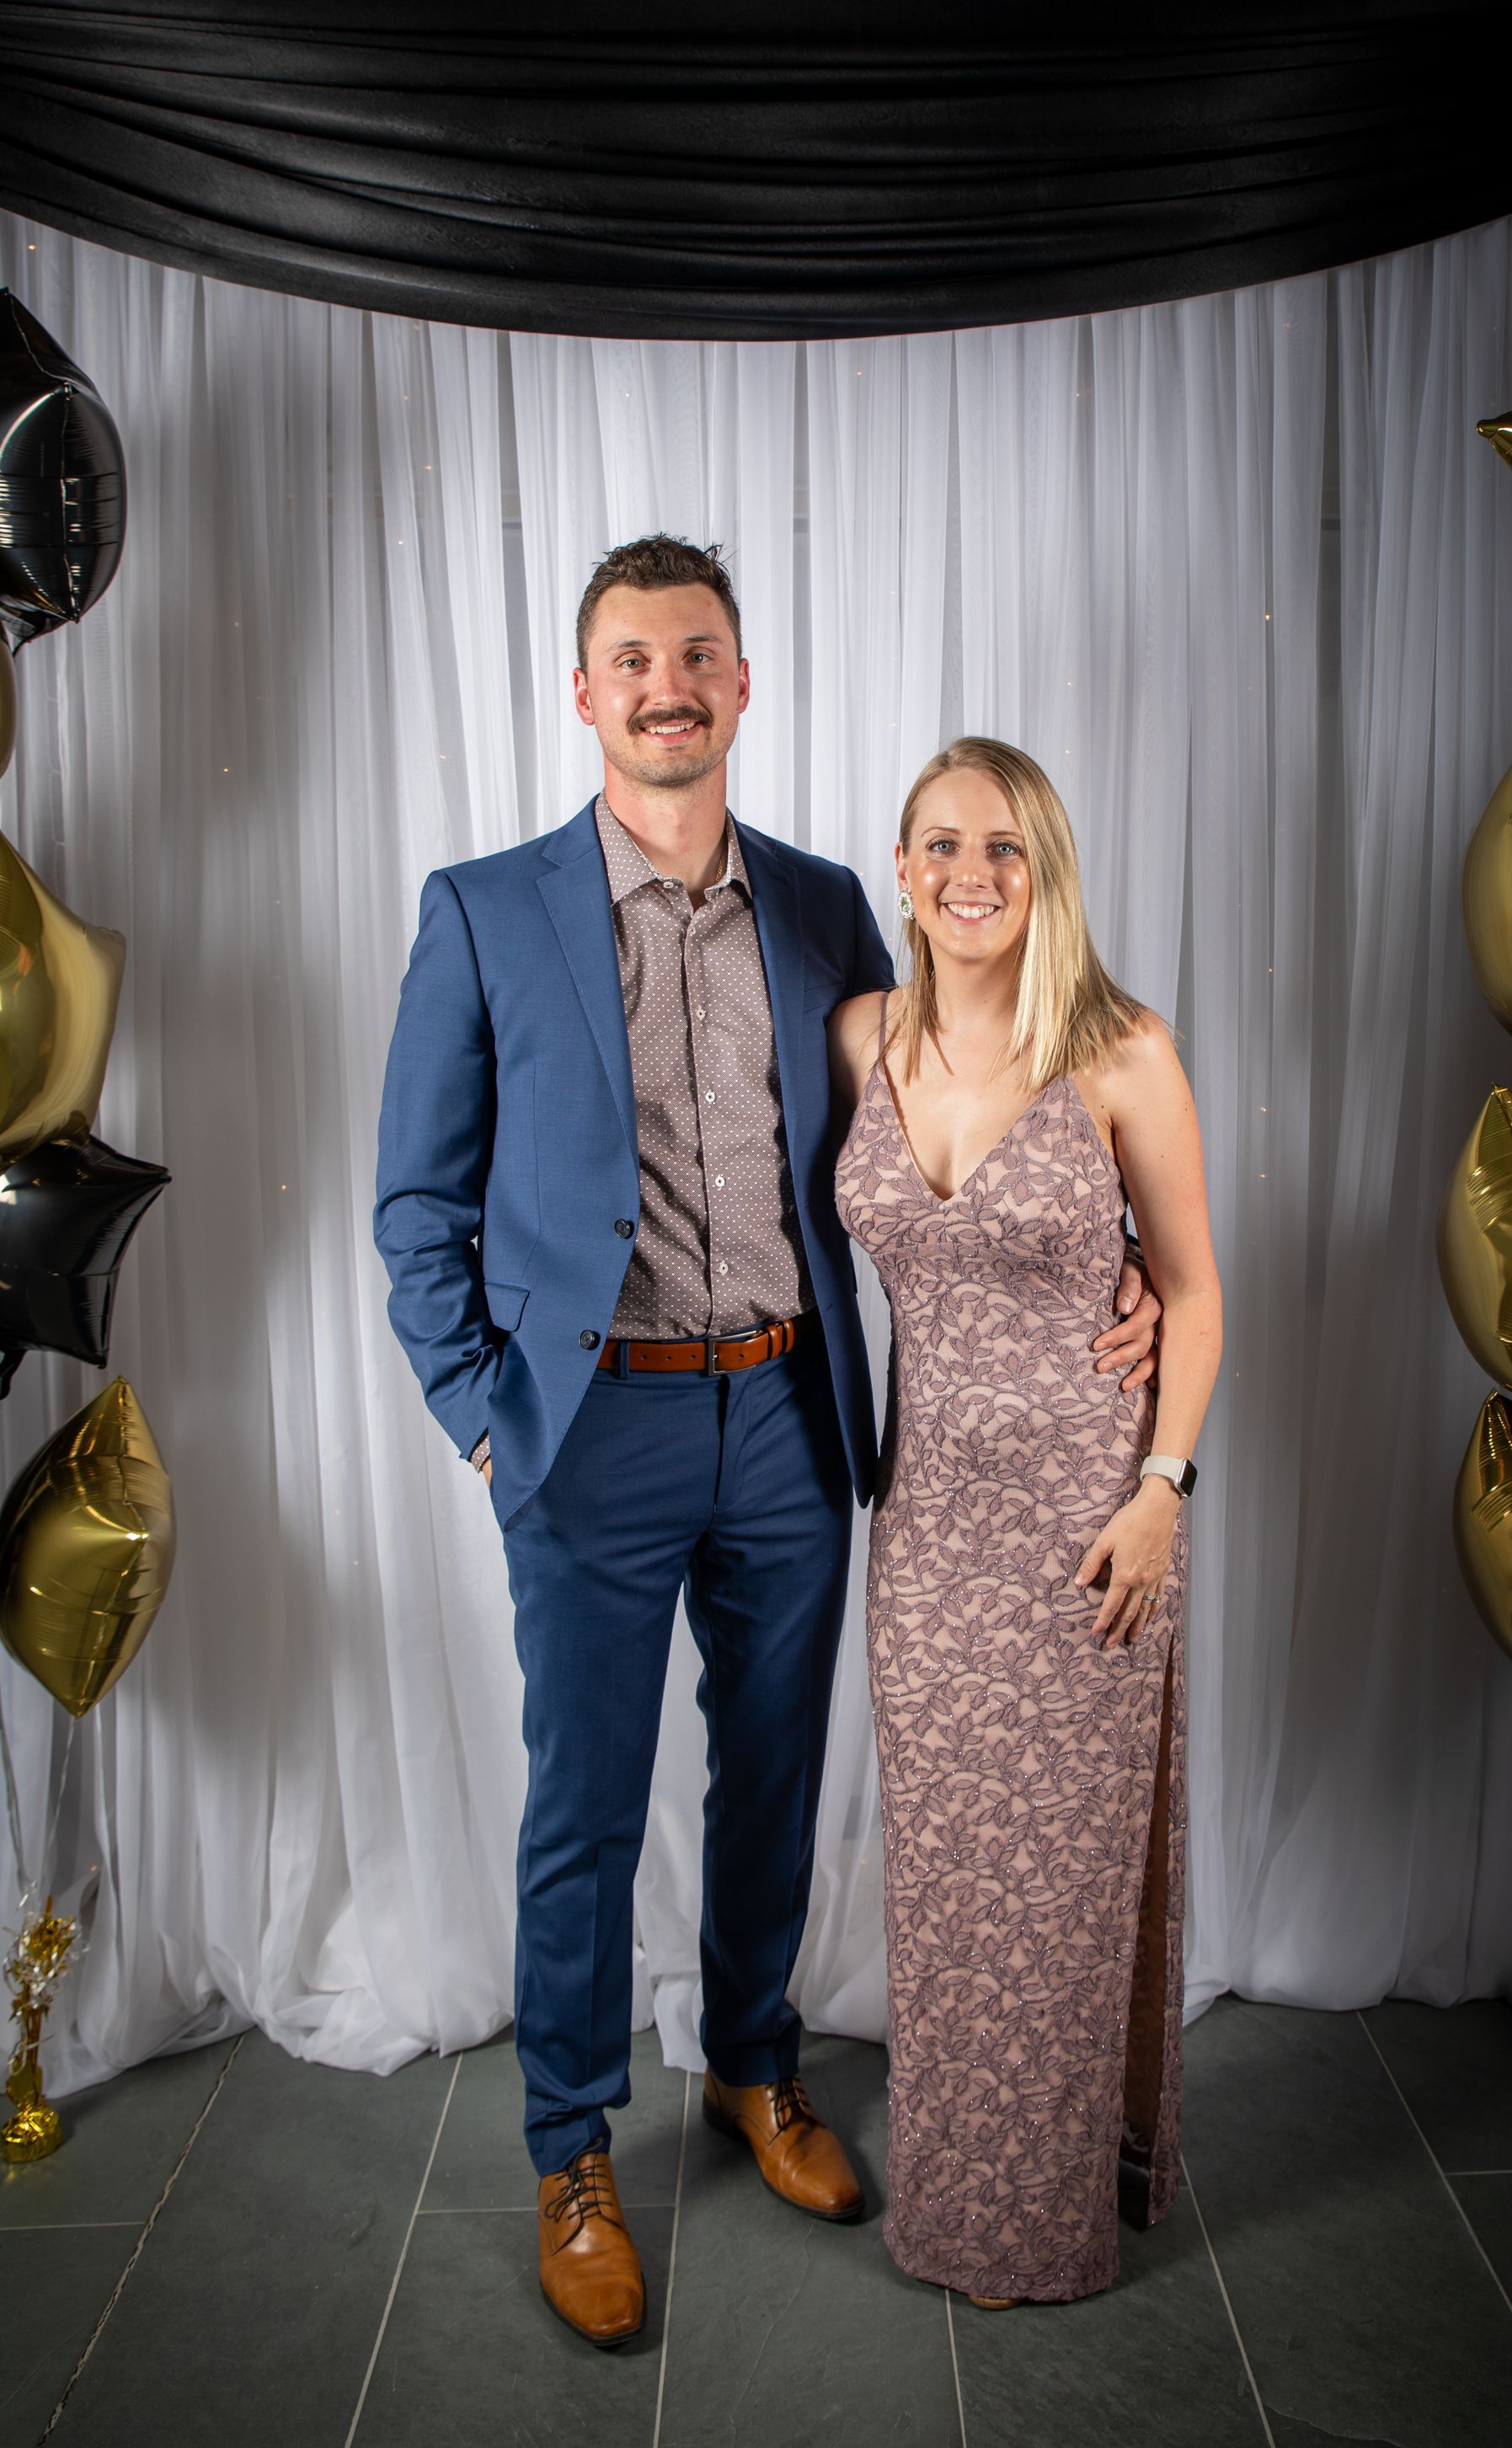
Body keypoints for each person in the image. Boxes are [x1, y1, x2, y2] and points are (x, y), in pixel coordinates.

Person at [375, 537, 1162, 2346]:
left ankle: (751, 2068)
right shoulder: (484, 911)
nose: (669, 684)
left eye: (700, 654)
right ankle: (572, 2142)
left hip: (795, 1422)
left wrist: (1126, 1281)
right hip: (588, 1436)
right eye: (633, 657)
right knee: (580, 1809)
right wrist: (488, 1424)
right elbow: (414, 1206)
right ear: (587, 694)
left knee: (776, 1781)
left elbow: (973, 1099)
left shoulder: (826, 912)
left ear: (744, 686)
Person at [830, 736, 1221, 2308]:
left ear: (1045, 867)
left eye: (1003, 845)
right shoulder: (864, 1032)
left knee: (1053, 1892)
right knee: (945, 1884)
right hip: (922, 1535)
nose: (969, 873)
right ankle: (954, 2195)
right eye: (938, 844)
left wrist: (1161, 1492)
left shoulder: (1121, 1050)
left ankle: (1042, 2220)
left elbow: (1193, 1298)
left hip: (1086, 1534)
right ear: (903, 867)